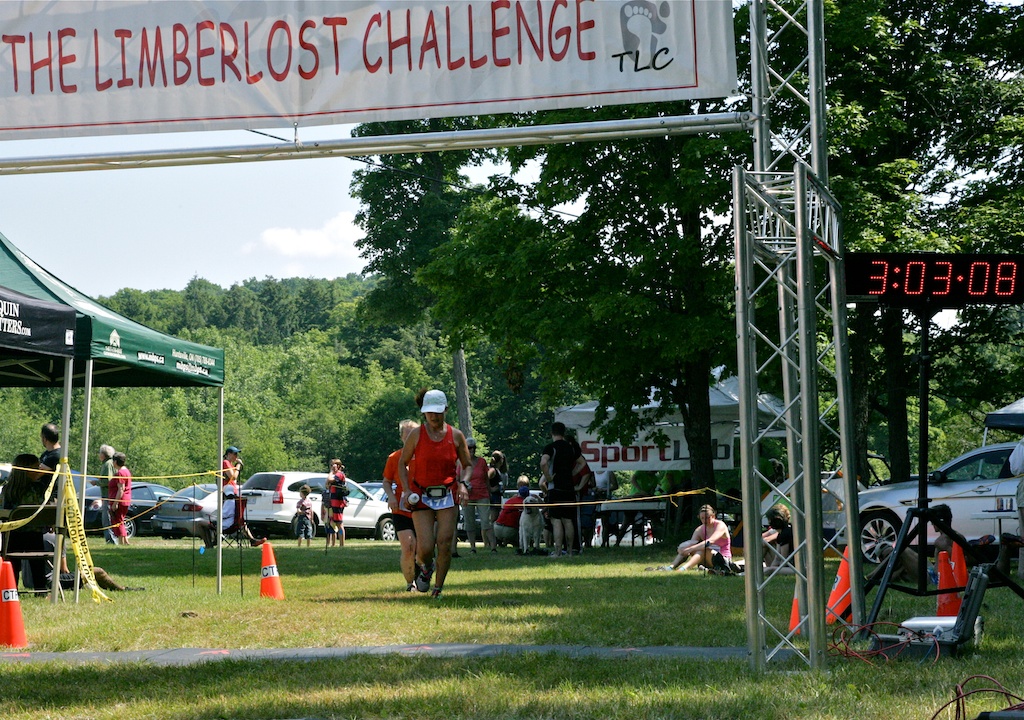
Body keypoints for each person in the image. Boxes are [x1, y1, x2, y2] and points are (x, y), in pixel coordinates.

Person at [397, 388, 473, 599]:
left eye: (437, 412)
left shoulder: (456, 435)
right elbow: (402, 463)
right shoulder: (416, 435)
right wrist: (406, 490)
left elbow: (467, 465)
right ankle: (426, 566)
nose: (433, 416)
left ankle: (438, 588)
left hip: (447, 494)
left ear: (445, 410)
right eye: (429, 412)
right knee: (426, 547)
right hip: (421, 494)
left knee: (445, 543)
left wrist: (464, 484)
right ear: (424, 412)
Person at [1, 454, 50, 592]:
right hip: (35, 535)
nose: (39, 470)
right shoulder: (39, 489)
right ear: (26, 470)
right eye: (36, 468)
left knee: (12, 560)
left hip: (12, 535)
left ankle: (11, 588)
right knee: (37, 562)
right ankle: (40, 589)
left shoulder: (8, 489)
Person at [382, 419, 419, 591]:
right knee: (408, 546)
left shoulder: (425, 457)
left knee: (423, 548)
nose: (411, 438)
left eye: (414, 434)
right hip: (401, 509)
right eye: (407, 434)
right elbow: (386, 481)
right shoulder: (394, 458)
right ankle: (410, 583)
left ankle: (423, 575)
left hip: (423, 508)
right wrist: (391, 497)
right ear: (402, 437)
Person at [539, 421, 584, 557]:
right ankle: (570, 551)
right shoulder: (571, 448)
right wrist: (572, 473)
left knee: (556, 520)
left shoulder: (550, 447)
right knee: (568, 520)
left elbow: (543, 462)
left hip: (555, 489)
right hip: (569, 488)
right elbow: (582, 463)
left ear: (552, 433)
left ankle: (558, 551)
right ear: (564, 433)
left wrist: (548, 477)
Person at [648, 504, 735, 572]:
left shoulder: (720, 525)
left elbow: (710, 541)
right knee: (694, 548)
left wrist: (690, 549)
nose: (705, 520)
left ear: (713, 516)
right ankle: (671, 567)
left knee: (702, 549)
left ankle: (683, 569)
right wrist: (684, 549)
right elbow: (692, 543)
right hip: (707, 559)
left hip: (722, 559)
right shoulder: (700, 529)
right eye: (702, 518)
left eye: (707, 518)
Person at [462, 437, 495, 553]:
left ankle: (493, 547)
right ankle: (472, 547)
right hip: (467, 496)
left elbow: (486, 478)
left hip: (482, 494)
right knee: (469, 522)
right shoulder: (462, 462)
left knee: (486, 521)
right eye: (469, 448)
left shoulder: (481, 461)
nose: (472, 450)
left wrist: (489, 492)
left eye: (473, 447)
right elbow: (458, 478)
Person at [494, 477, 531, 550]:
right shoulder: (526, 503)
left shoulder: (510, 500)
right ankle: (512, 541)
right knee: (523, 531)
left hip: (497, 528)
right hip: (510, 530)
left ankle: (502, 541)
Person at [762, 503, 795, 575]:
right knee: (769, 569)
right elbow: (777, 558)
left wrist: (772, 570)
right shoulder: (781, 533)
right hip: (790, 565)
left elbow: (784, 560)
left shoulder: (785, 533)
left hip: (795, 568)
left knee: (770, 570)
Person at [108, 452, 133, 546]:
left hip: (120, 500)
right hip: (125, 499)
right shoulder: (126, 471)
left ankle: (121, 542)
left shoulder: (120, 473)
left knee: (118, 521)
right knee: (120, 520)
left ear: (115, 462)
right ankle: (125, 542)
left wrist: (115, 503)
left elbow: (121, 489)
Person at [326, 458, 349, 547]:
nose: (332, 467)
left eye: (333, 465)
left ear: (338, 466)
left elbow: (330, 480)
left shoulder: (340, 474)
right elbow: (327, 483)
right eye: (331, 465)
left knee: (339, 523)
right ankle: (334, 543)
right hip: (333, 502)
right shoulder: (335, 475)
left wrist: (331, 472)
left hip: (338, 502)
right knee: (334, 522)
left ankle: (341, 544)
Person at [97, 445, 117, 544]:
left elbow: (108, 481)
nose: (98, 455)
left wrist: (97, 482)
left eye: (100, 452)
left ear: (103, 454)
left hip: (108, 495)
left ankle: (111, 539)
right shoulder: (109, 463)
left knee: (107, 518)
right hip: (108, 495)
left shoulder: (107, 464)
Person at [487, 450, 508, 524]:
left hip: (498, 496)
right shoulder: (492, 470)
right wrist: (490, 489)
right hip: (493, 497)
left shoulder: (499, 471)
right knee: (493, 519)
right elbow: (485, 479)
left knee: (496, 518)